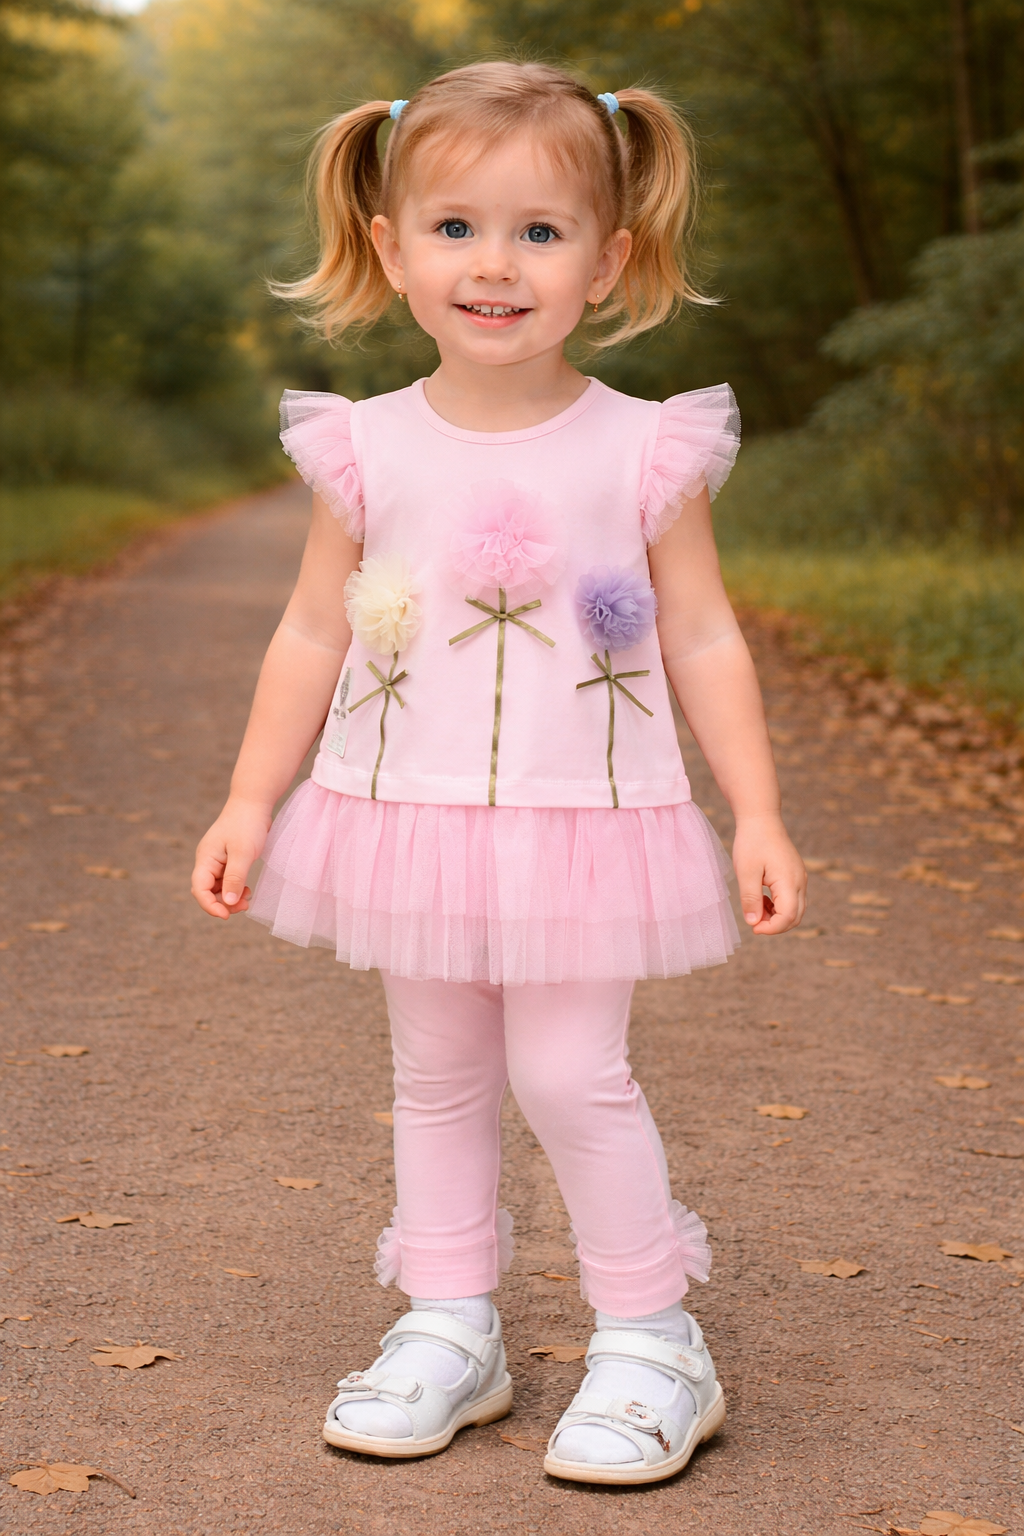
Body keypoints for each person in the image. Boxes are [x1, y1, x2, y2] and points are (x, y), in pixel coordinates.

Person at [191, 60, 806, 1486]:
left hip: (585, 820)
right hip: (406, 817)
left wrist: (758, 809)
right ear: (394, 248)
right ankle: (450, 1323)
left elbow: (705, 635)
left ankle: (653, 1340)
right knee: (439, 1073)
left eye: (541, 230)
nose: (497, 264)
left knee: (571, 1071)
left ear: (611, 259)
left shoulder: (647, 447)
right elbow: (307, 631)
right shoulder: (365, 445)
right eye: (458, 227)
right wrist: (246, 797)